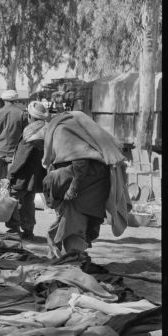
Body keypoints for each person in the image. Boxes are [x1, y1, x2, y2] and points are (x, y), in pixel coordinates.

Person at [42, 110, 131, 260]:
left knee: (74, 222)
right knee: (77, 219)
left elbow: (80, 161)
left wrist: (72, 188)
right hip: (95, 181)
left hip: (85, 183)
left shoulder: (62, 130)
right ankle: (75, 254)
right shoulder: (77, 128)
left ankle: (76, 257)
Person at [4, 101, 48, 240]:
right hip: (36, 176)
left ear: (30, 116)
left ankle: (13, 229)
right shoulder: (45, 130)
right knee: (28, 203)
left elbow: (22, 158)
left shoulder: (31, 132)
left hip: (23, 176)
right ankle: (28, 230)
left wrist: (10, 174)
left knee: (13, 200)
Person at [0, 90, 27, 196]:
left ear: (4, 100)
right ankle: (10, 202)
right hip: (13, 151)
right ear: (15, 100)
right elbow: (25, 134)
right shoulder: (22, 114)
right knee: (11, 179)